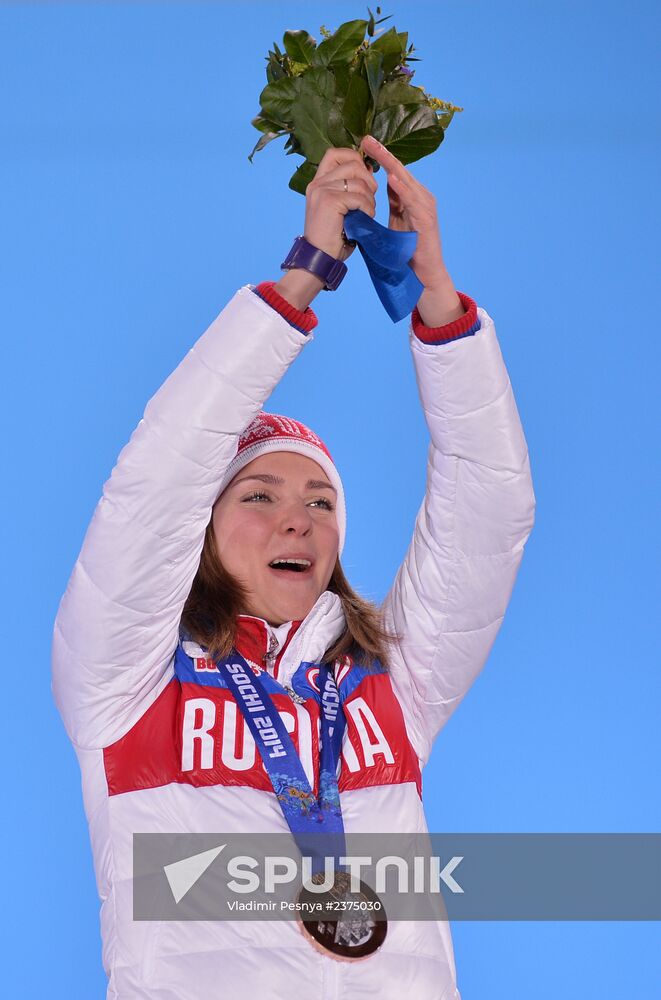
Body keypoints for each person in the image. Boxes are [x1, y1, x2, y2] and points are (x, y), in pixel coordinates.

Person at [52, 135, 535, 999]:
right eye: (259, 496)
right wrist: (303, 274)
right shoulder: (125, 679)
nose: (298, 520)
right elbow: (155, 483)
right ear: (201, 529)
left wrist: (437, 300)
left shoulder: (393, 682)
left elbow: (488, 516)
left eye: (321, 503)